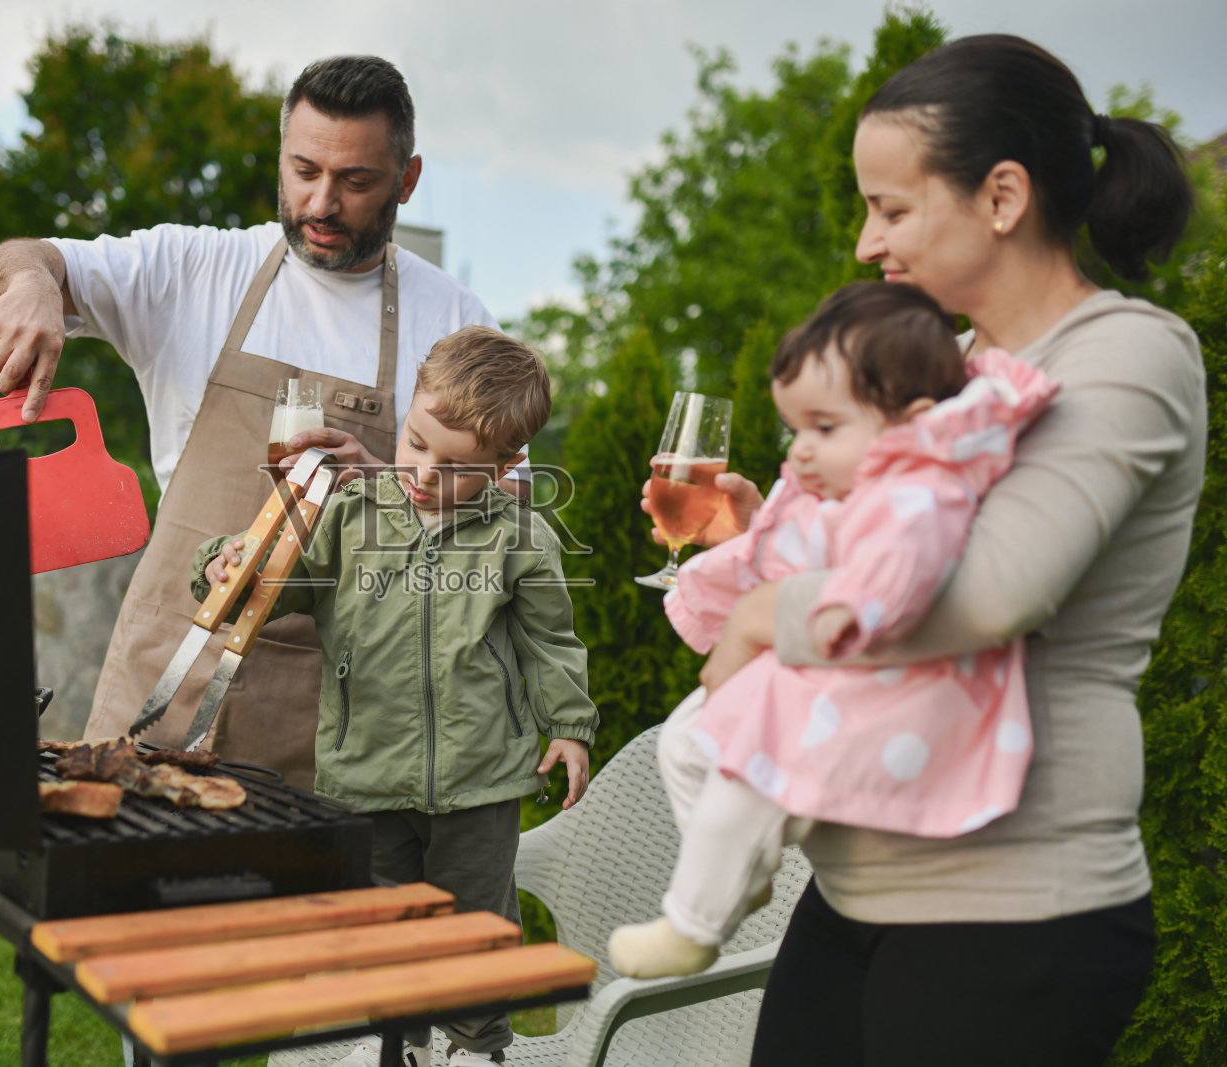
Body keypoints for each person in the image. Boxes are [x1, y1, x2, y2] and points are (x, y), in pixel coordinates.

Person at [669, 34, 1201, 1067]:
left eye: (892, 208)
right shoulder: (940, 371)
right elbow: (870, 555)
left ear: (1001, 196)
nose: (869, 244)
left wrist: (755, 618)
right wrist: (759, 544)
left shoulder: (1125, 352)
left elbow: (994, 588)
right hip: (857, 885)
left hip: (1014, 902)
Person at [0, 55, 508, 787]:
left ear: (407, 180)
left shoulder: (454, 322)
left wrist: (393, 487)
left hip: (336, 713)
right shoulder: (196, 268)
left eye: (356, 181)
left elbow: (500, 519)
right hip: (164, 672)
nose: (322, 203)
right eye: (304, 170)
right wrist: (33, 283)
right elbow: (23, 255)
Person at [609, 281, 1057, 981]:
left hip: (865, 682)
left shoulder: (921, 490)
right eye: (798, 430)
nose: (804, 450)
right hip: (804, 664)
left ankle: (693, 923)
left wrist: (846, 607)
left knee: (735, 776)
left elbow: (902, 569)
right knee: (680, 745)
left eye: (825, 428)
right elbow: (803, 551)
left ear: (907, 423)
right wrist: (752, 535)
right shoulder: (845, 484)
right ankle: (741, 874)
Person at [194, 326, 598, 1067]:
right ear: (408, 414)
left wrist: (568, 723)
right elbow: (276, 580)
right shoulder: (352, 515)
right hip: (367, 774)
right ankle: (401, 1047)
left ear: (506, 465)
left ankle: (478, 1052)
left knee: (474, 929)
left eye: (456, 465)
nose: (423, 471)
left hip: (480, 782)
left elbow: (549, 641)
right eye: (416, 442)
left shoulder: (520, 538)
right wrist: (224, 562)